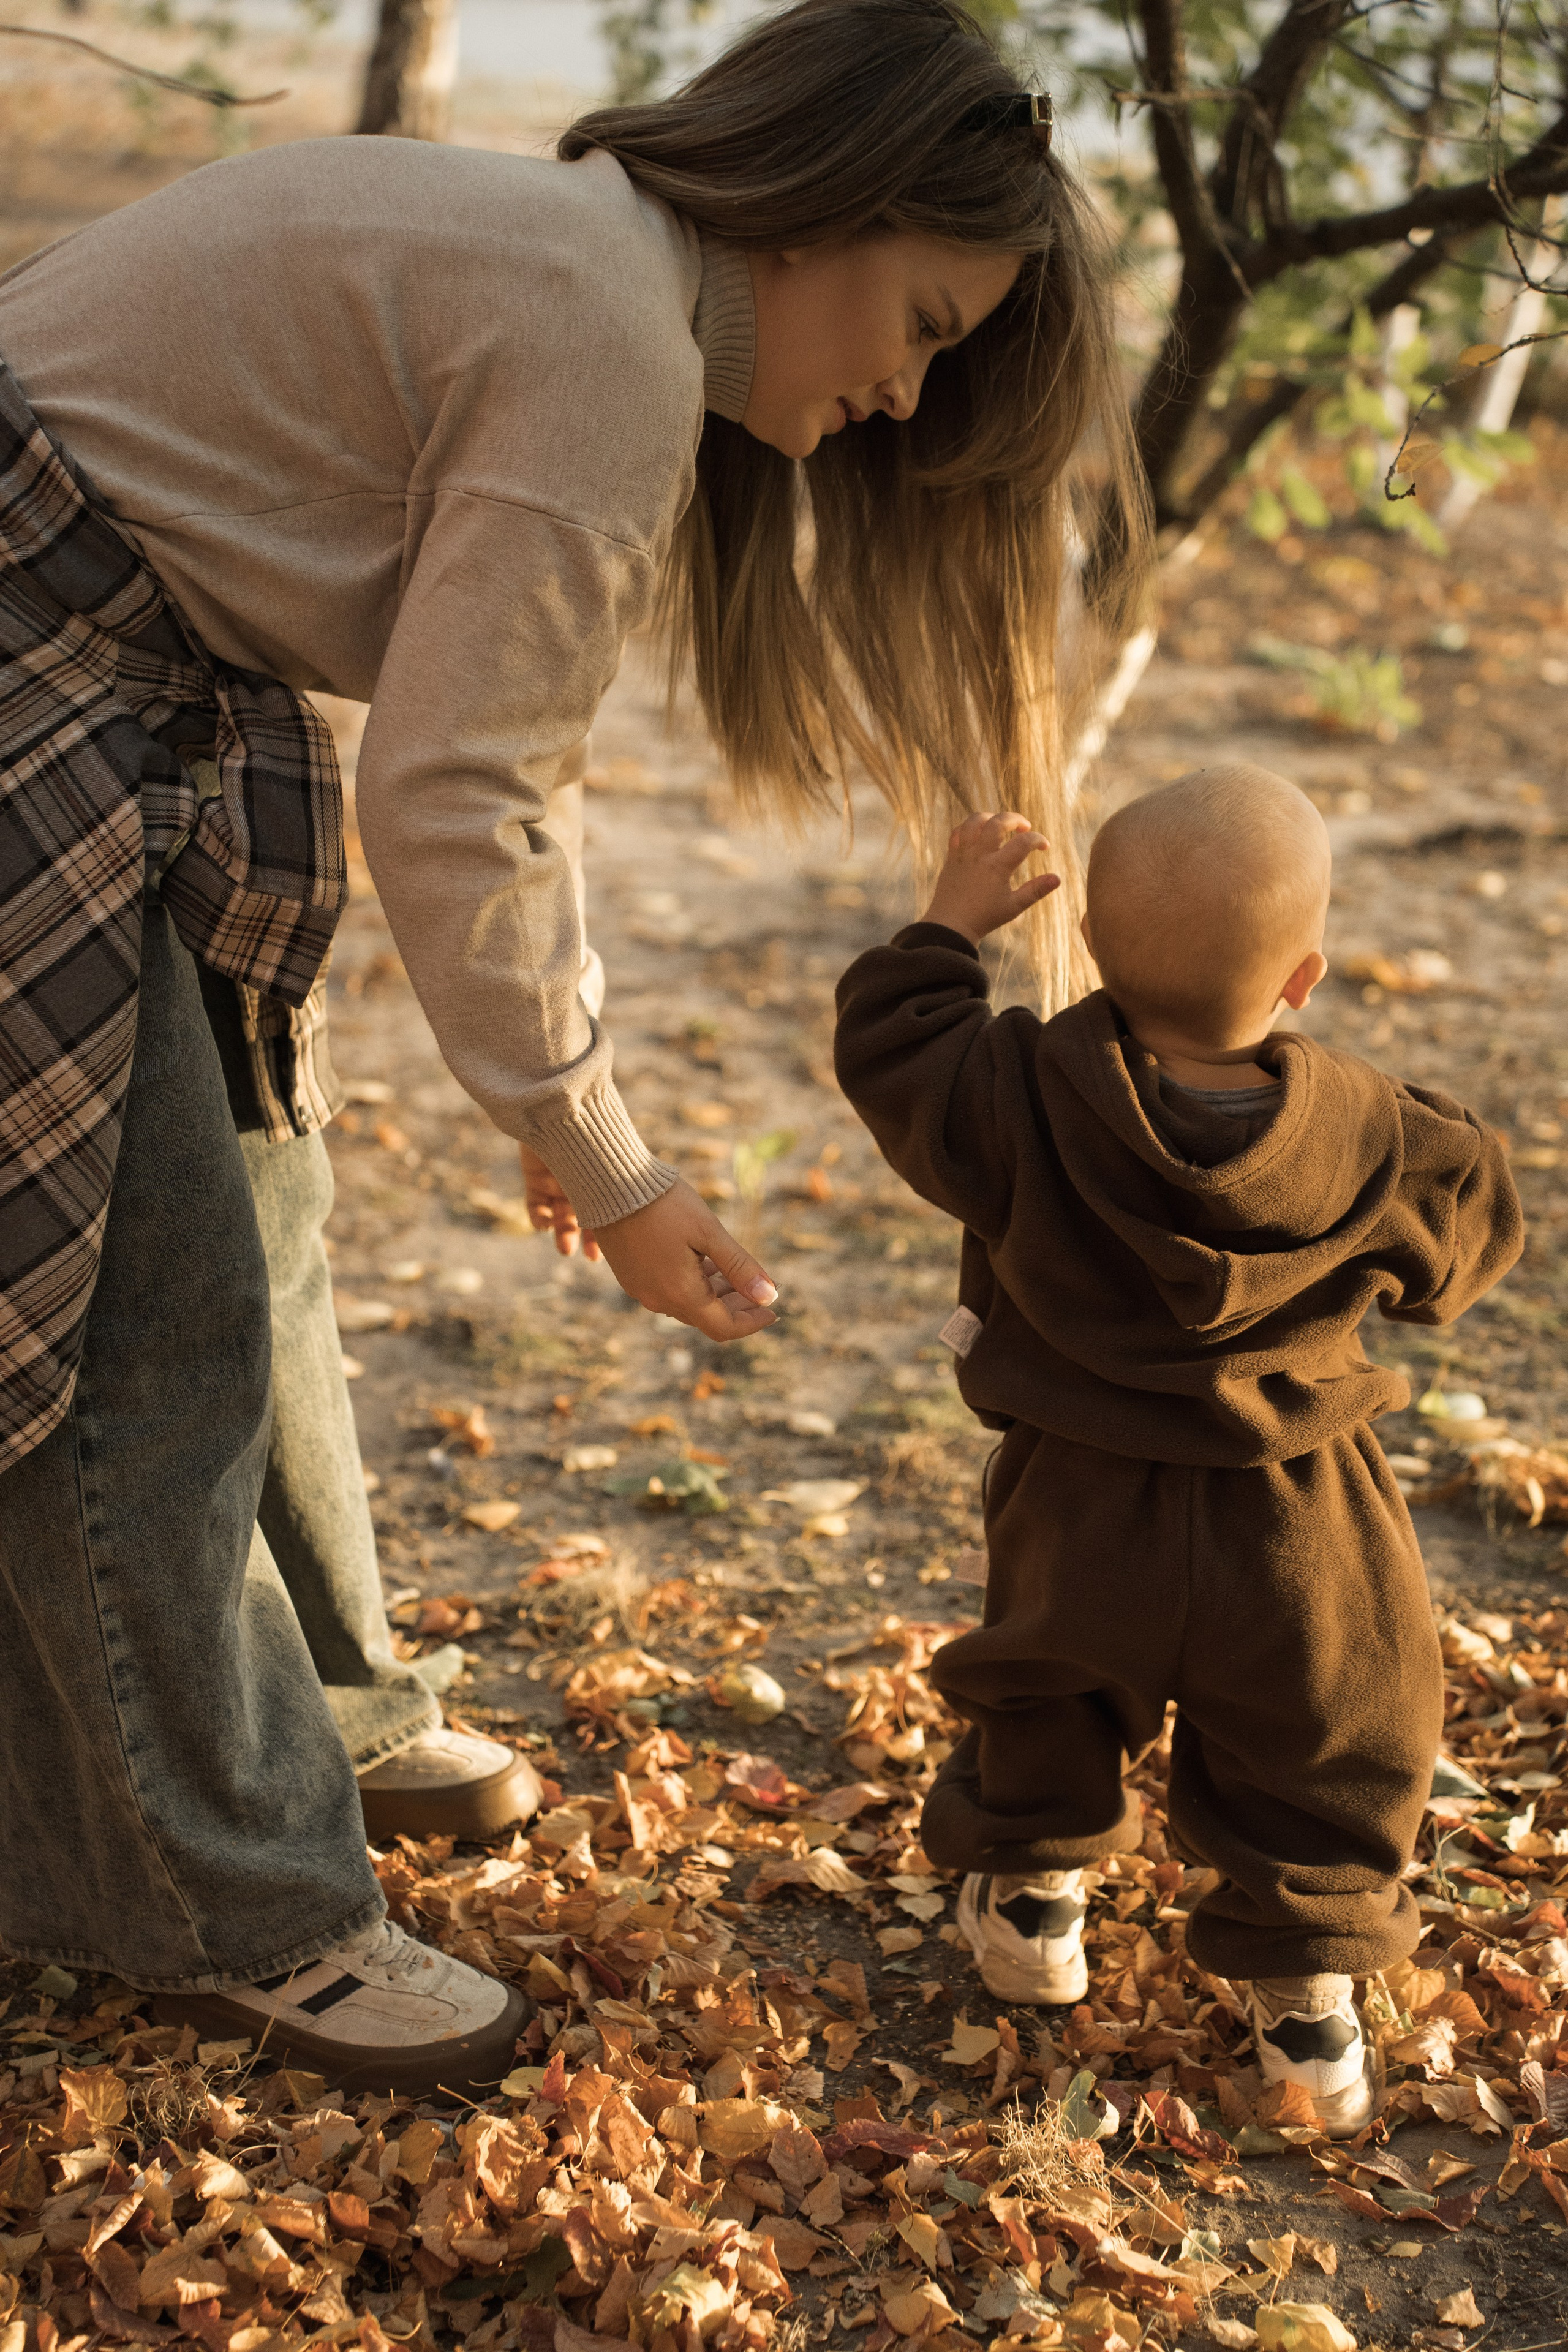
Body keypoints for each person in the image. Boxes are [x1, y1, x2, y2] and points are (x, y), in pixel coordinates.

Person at [0, 0, 1150, 2092]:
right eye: (920, 321)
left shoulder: (583, 269)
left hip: (107, 678)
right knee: (131, 1307)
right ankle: (212, 1891)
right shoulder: (609, 336)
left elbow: (500, 756)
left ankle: (324, 1712)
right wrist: (611, 1162)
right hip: (29, 675)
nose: (904, 394)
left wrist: (563, 1092)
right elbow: (456, 795)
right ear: (821, 214)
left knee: (261, 1212)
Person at [833, 766, 1521, 2136]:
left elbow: (894, 1047)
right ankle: (1308, 2018)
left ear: (1087, 947)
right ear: (1306, 976)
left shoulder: (1017, 1095)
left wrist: (946, 928)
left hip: (1078, 1500)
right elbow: (1469, 1240)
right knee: (1326, 1743)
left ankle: (1032, 1904)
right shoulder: (1380, 1133)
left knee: (1044, 1689)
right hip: (1298, 1516)